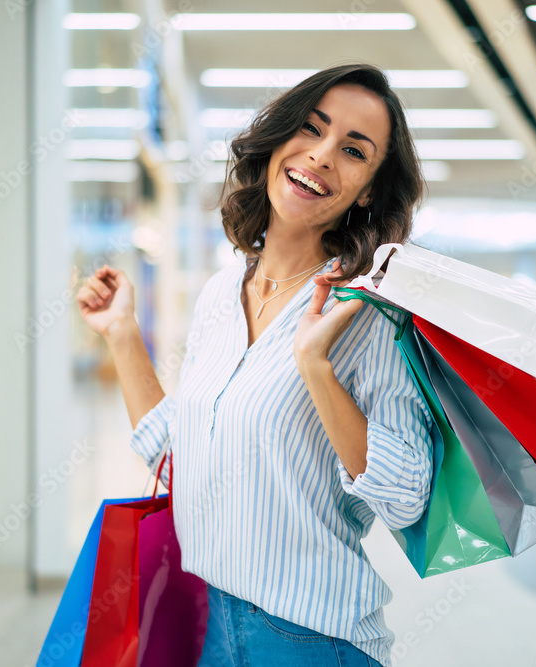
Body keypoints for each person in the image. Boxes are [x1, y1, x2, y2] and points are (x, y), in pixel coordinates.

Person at [76, 64, 433, 666]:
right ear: (278, 139)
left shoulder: (369, 314)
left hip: (310, 639)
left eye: (353, 150)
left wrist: (315, 365)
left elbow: (404, 499)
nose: (322, 155)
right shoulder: (221, 293)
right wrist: (121, 334)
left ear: (369, 191)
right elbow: (182, 461)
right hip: (211, 623)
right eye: (311, 128)